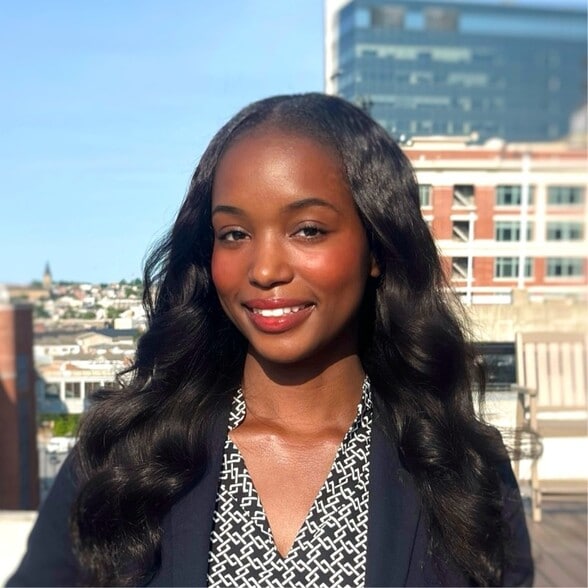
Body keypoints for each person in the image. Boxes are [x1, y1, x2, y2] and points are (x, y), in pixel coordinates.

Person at [8, 93, 533, 587]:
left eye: (308, 230)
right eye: (234, 234)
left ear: (376, 247)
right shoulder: (122, 456)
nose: (264, 270)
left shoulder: (463, 469)